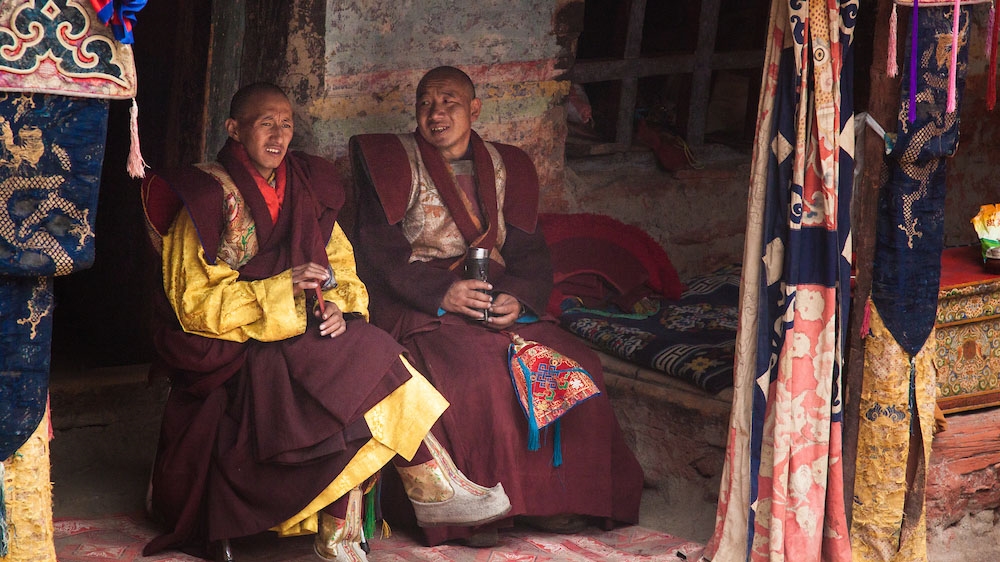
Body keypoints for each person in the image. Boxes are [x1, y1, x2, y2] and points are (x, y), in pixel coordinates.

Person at [140, 82, 510, 562]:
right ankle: (416, 490)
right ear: (234, 129)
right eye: (265, 123)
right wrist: (282, 291)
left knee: (359, 345)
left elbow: (340, 263)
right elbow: (194, 305)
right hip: (237, 345)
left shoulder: (305, 185)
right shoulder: (209, 197)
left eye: (286, 124)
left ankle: (361, 522)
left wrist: (339, 305)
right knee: (361, 363)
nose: (278, 135)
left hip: (302, 333)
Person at [350, 66, 644, 546]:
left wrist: (520, 296)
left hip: (497, 297)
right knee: (475, 373)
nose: (436, 113)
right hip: (423, 300)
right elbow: (375, 251)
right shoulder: (392, 162)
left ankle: (556, 503)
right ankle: (476, 515)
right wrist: (440, 293)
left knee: (579, 366)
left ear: (474, 109)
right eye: (426, 103)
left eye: (449, 102)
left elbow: (532, 251)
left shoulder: (509, 166)